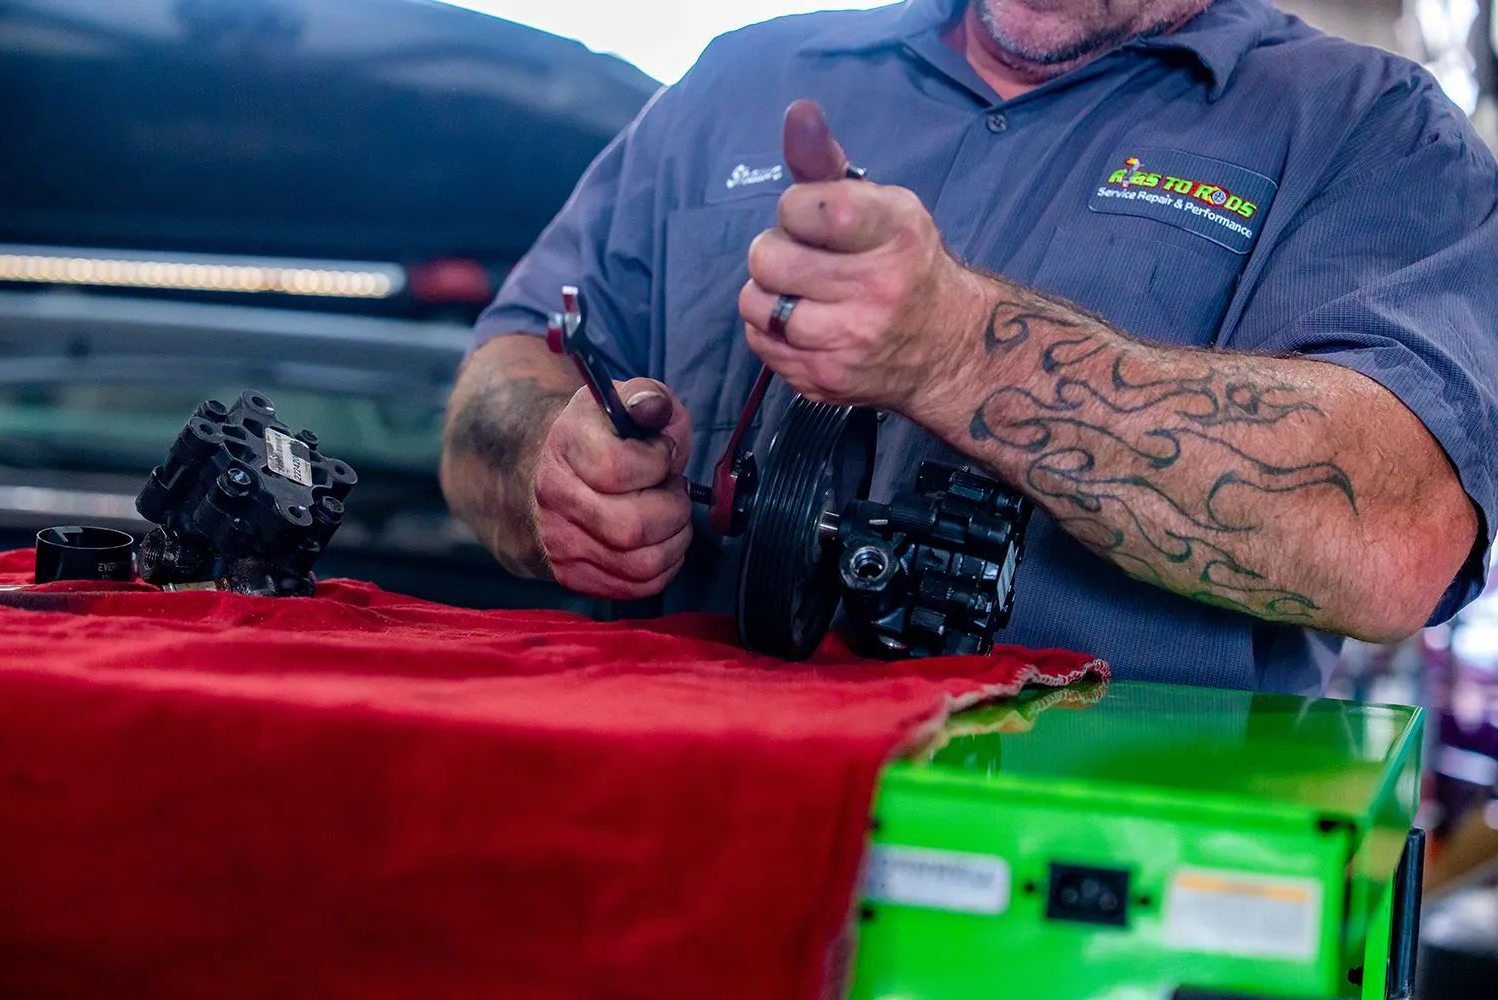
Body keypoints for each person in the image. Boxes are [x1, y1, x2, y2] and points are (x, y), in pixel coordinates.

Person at [441, 0, 1498, 693]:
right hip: (685, 827)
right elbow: (503, 380)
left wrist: (961, 350)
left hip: (1097, 881)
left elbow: (1398, 536)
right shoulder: (742, 78)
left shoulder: (1366, 129)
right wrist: (551, 464)